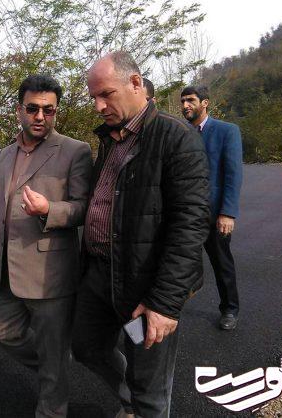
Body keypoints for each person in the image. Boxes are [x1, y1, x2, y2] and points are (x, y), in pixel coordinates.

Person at [72, 52, 209, 418]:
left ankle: (138, 403)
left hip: (144, 286)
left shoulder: (175, 137)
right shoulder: (111, 139)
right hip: (100, 275)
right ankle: (129, 398)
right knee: (86, 348)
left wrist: (164, 303)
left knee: (149, 385)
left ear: (135, 83)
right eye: (94, 98)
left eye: (106, 94)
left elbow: (190, 224)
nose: (99, 106)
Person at [0, 75, 93, 417]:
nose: (40, 116)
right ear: (19, 110)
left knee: (53, 354)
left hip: (50, 274)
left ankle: (52, 405)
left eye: (49, 110)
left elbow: (85, 208)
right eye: (32, 108)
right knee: (3, 331)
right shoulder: (4, 155)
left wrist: (49, 210)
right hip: (7, 269)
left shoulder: (75, 151)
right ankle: (53, 368)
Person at [181, 85, 243, 330]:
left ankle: (230, 310)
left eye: (190, 100)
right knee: (179, 261)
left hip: (214, 214)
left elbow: (233, 174)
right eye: (183, 101)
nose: (185, 105)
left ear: (205, 103)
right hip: (186, 214)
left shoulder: (227, 131)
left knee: (221, 264)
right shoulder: (180, 132)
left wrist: (227, 213)